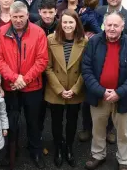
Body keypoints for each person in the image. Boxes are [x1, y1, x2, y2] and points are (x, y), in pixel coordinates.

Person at [82, 11, 127, 170]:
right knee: (98, 129)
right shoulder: (93, 42)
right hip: (99, 96)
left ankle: (123, 160)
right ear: (104, 25)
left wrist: (119, 92)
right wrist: (101, 91)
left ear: (123, 27)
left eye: (116, 25)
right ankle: (98, 155)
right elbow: (86, 70)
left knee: (122, 133)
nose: (112, 28)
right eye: (109, 25)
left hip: (122, 97)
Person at [0, 1, 49, 169]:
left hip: (32, 87)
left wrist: (25, 79)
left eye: (21, 17)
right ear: (10, 16)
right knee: (10, 122)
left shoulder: (38, 33)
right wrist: (14, 78)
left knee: (34, 122)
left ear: (27, 16)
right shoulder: (1, 32)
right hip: (11, 87)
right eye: (14, 17)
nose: (18, 20)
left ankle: (35, 151)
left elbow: (42, 60)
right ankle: (11, 151)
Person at [45, 9, 88, 167]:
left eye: (71, 22)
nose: (68, 25)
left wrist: (75, 89)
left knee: (72, 121)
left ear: (76, 23)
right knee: (56, 122)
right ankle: (58, 147)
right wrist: (59, 89)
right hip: (56, 90)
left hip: (75, 90)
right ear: (60, 23)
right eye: (65, 22)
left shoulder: (84, 41)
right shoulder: (50, 39)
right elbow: (48, 67)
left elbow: (86, 69)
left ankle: (69, 147)